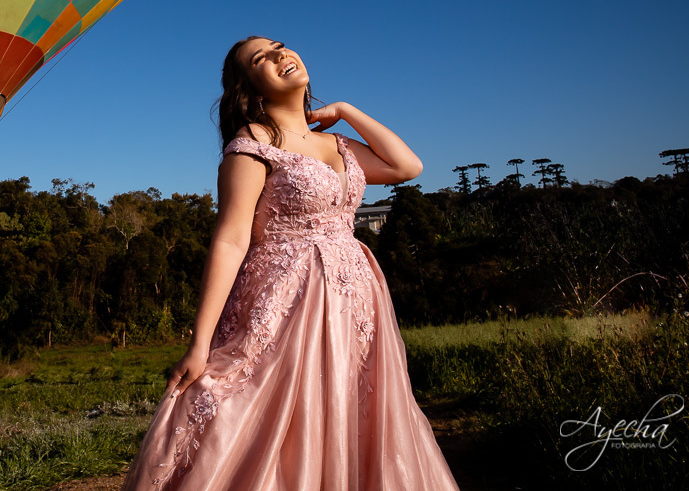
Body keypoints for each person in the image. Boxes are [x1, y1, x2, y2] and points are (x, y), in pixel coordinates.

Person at [118, 36, 460, 490]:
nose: (280, 55)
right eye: (261, 58)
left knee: (349, 405)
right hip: (286, 299)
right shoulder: (252, 143)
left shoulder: (337, 143)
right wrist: (200, 343)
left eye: (280, 46)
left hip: (354, 300)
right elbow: (231, 239)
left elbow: (406, 167)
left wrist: (347, 111)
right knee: (260, 406)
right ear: (249, 89)